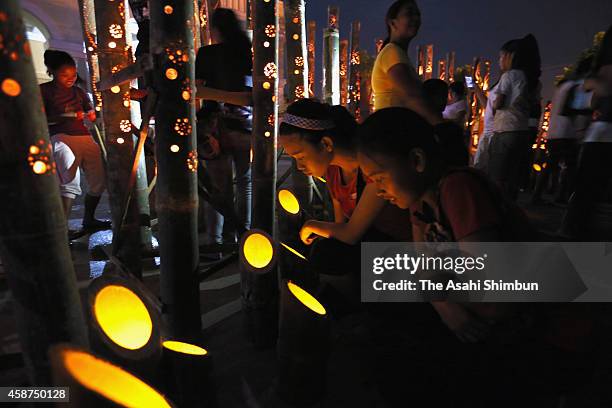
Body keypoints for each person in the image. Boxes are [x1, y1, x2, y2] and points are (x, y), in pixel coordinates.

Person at [357, 107, 592, 407]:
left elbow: (495, 299)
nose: (377, 191)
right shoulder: (420, 205)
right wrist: (445, 306)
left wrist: (439, 294)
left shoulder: (459, 188)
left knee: (409, 369)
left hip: (552, 336)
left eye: (378, 178)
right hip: (501, 322)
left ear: (416, 160)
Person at [279, 100, 412, 312]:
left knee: (327, 255)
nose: (299, 165)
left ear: (326, 144)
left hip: (402, 249)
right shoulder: (333, 172)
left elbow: (351, 232)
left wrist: (312, 225)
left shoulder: (371, 168)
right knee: (326, 253)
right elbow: (340, 227)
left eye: (300, 156)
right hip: (370, 249)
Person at [195, 8, 253, 258]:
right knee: (245, 184)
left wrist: (215, 97)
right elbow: (253, 95)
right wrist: (237, 100)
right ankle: (245, 236)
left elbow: (197, 91)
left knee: (219, 187)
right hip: (245, 124)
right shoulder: (248, 52)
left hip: (214, 127)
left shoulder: (206, 54)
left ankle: (215, 242)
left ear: (215, 29)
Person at [40, 50, 109, 235]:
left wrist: (93, 115)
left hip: (84, 136)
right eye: (64, 75)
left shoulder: (78, 92)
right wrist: (67, 115)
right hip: (61, 137)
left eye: (73, 74)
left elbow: (90, 111)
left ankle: (89, 219)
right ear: (52, 72)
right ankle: (61, 229)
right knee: (70, 182)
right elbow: (40, 118)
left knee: (99, 180)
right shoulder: (44, 91)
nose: (70, 78)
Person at [561, 25, 612, 240]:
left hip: (604, 134)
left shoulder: (605, 64)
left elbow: (601, 91)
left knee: (586, 192)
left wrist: (591, 82)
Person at [487, 35, 541, 200]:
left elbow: (499, 104)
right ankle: (511, 210)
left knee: (497, 177)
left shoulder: (509, 76)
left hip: (504, 130)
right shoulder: (534, 81)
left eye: (501, 56)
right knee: (512, 178)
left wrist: (495, 102)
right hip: (521, 131)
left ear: (511, 56)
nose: (499, 60)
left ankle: (497, 212)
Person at [371, 0, 442, 125]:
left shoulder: (397, 53)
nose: (415, 18)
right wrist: (442, 125)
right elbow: (412, 97)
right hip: (390, 132)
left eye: (418, 14)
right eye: (409, 14)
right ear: (393, 23)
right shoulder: (392, 52)